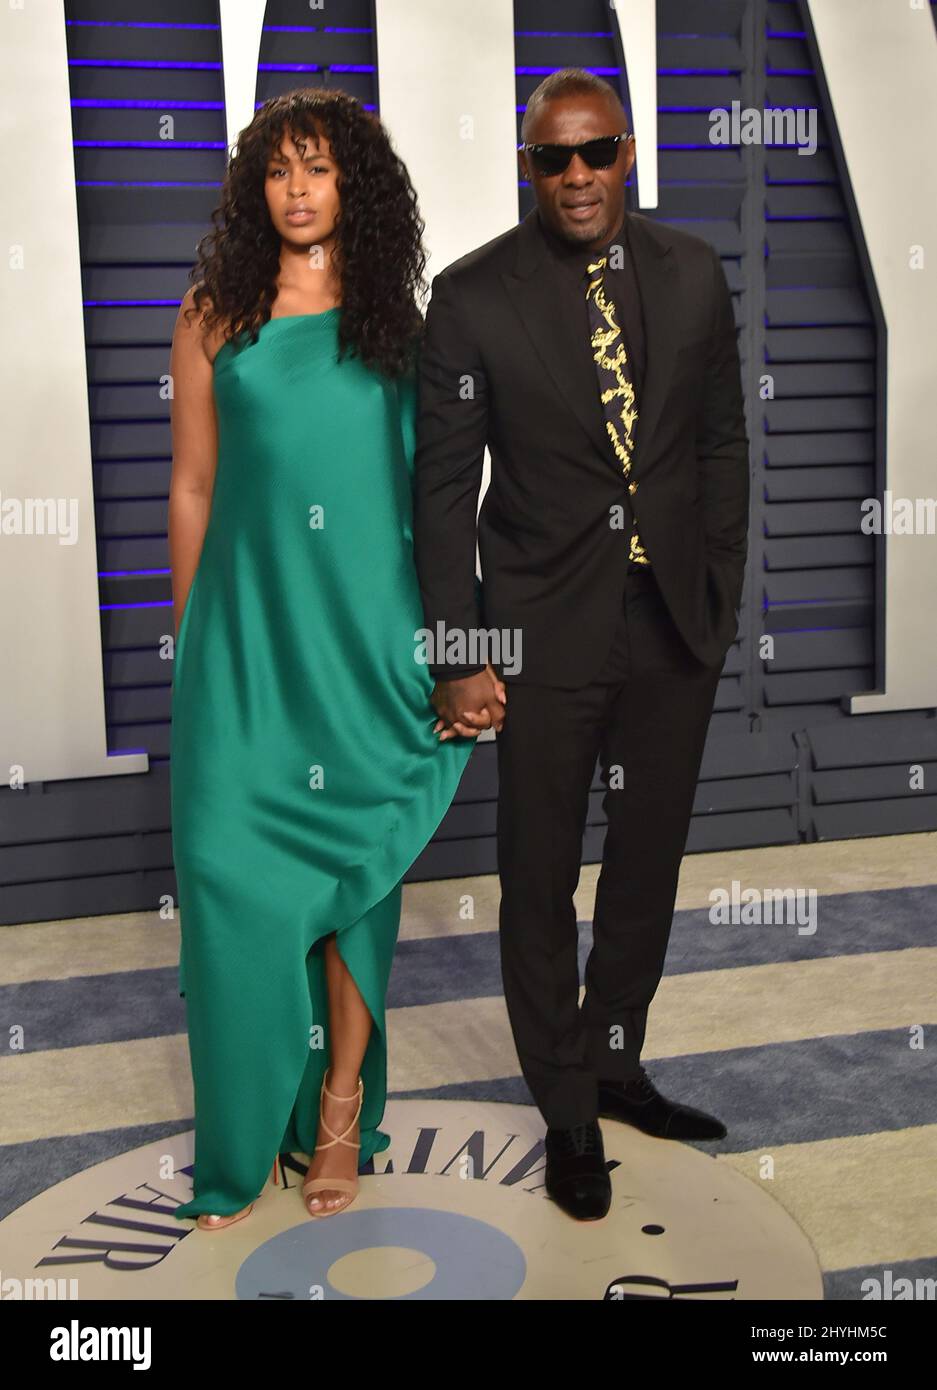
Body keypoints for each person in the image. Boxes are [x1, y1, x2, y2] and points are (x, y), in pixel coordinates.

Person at [413, 68, 750, 1221]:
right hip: (540, 631)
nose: (575, 176)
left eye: (595, 153)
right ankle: (562, 1106)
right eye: (552, 160)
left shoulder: (693, 275)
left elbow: (718, 449)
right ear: (527, 172)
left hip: (671, 628)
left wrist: (715, 590)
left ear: (626, 155)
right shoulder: (469, 300)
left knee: (645, 866)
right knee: (538, 876)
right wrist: (458, 650)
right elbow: (443, 495)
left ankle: (614, 1060)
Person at [168, 88, 481, 1230]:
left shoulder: (396, 323)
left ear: (356, 187)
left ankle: (340, 1107)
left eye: (319, 170)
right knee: (225, 878)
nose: (297, 190)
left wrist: (454, 645)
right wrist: (194, 635)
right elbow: (194, 485)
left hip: (366, 642)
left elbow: (437, 501)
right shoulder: (212, 316)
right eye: (278, 172)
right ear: (257, 190)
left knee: (359, 879)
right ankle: (240, 1133)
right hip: (248, 646)